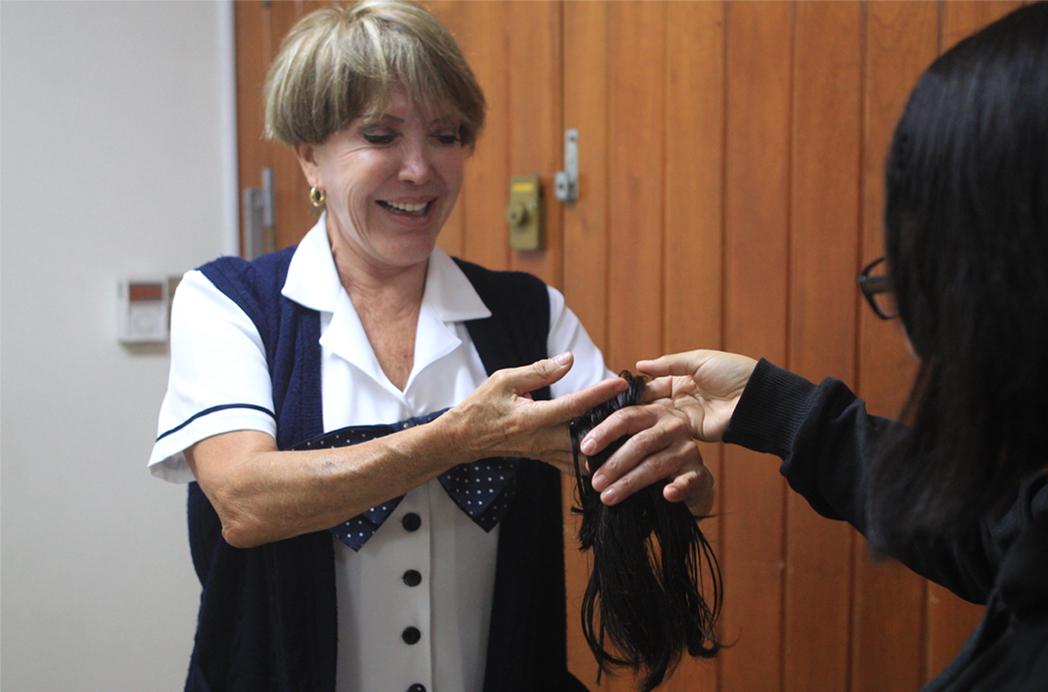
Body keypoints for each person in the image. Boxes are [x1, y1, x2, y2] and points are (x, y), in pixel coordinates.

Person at [587, 2, 1048, 689]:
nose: (912, 337)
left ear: (1005, 294)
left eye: (910, 282)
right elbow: (998, 532)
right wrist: (772, 407)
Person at [147, 2, 709, 690]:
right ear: (308, 157)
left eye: (445, 136)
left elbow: (636, 474)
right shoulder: (231, 304)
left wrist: (677, 471)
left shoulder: (529, 315)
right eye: (380, 136)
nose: (421, 169)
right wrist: (456, 441)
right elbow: (243, 501)